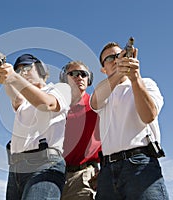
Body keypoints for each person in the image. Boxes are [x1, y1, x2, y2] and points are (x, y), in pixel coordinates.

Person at [90, 41, 168, 199]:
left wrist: (135, 79)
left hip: (140, 164)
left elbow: (148, 116)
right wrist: (120, 70)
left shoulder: (146, 84)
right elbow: (95, 102)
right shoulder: (104, 91)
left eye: (119, 55)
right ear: (103, 69)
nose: (116, 60)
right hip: (107, 171)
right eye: (110, 58)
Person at [0, 53, 71, 199]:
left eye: (27, 67)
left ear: (41, 70)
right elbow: (16, 98)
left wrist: (13, 77)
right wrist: (5, 78)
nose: (23, 72)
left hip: (45, 164)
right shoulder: (23, 102)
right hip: (16, 168)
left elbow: (47, 104)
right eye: (18, 70)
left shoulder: (60, 89)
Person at [59, 61, 101, 200]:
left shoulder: (96, 105)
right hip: (54, 175)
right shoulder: (57, 106)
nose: (80, 77)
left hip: (84, 176)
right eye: (74, 74)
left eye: (84, 74)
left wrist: (105, 170)